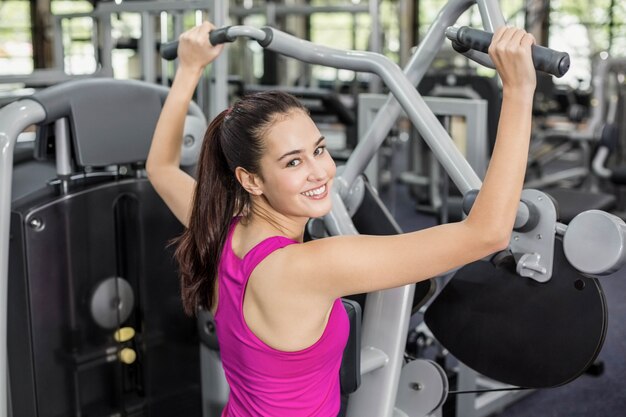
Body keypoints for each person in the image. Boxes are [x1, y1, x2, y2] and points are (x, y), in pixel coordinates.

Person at [146, 21, 537, 417]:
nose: (320, 172)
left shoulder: (219, 228)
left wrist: (190, 69)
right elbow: (488, 233)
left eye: (319, 149)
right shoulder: (309, 267)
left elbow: (159, 168)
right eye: (293, 161)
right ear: (250, 180)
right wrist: (519, 91)